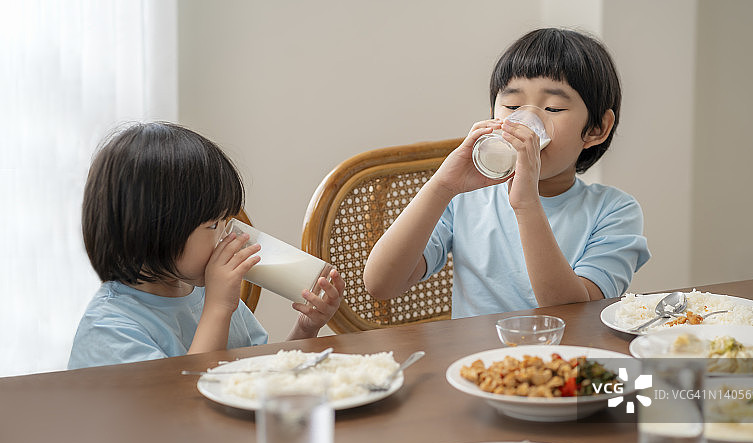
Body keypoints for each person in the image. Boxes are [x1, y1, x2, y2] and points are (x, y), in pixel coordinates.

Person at [363, 28, 650, 318]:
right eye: (512, 106)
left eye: (553, 107)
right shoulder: (466, 198)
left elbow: (575, 316)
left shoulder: (615, 211)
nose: (528, 120)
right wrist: (441, 187)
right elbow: (381, 284)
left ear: (597, 128)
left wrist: (526, 205)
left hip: (566, 359)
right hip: (473, 361)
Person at [69, 122, 344, 369]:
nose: (226, 236)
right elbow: (185, 404)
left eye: (226, 222)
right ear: (151, 229)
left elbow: (259, 377)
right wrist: (217, 308)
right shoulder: (108, 328)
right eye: (213, 226)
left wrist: (305, 329)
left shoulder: (203, 295)